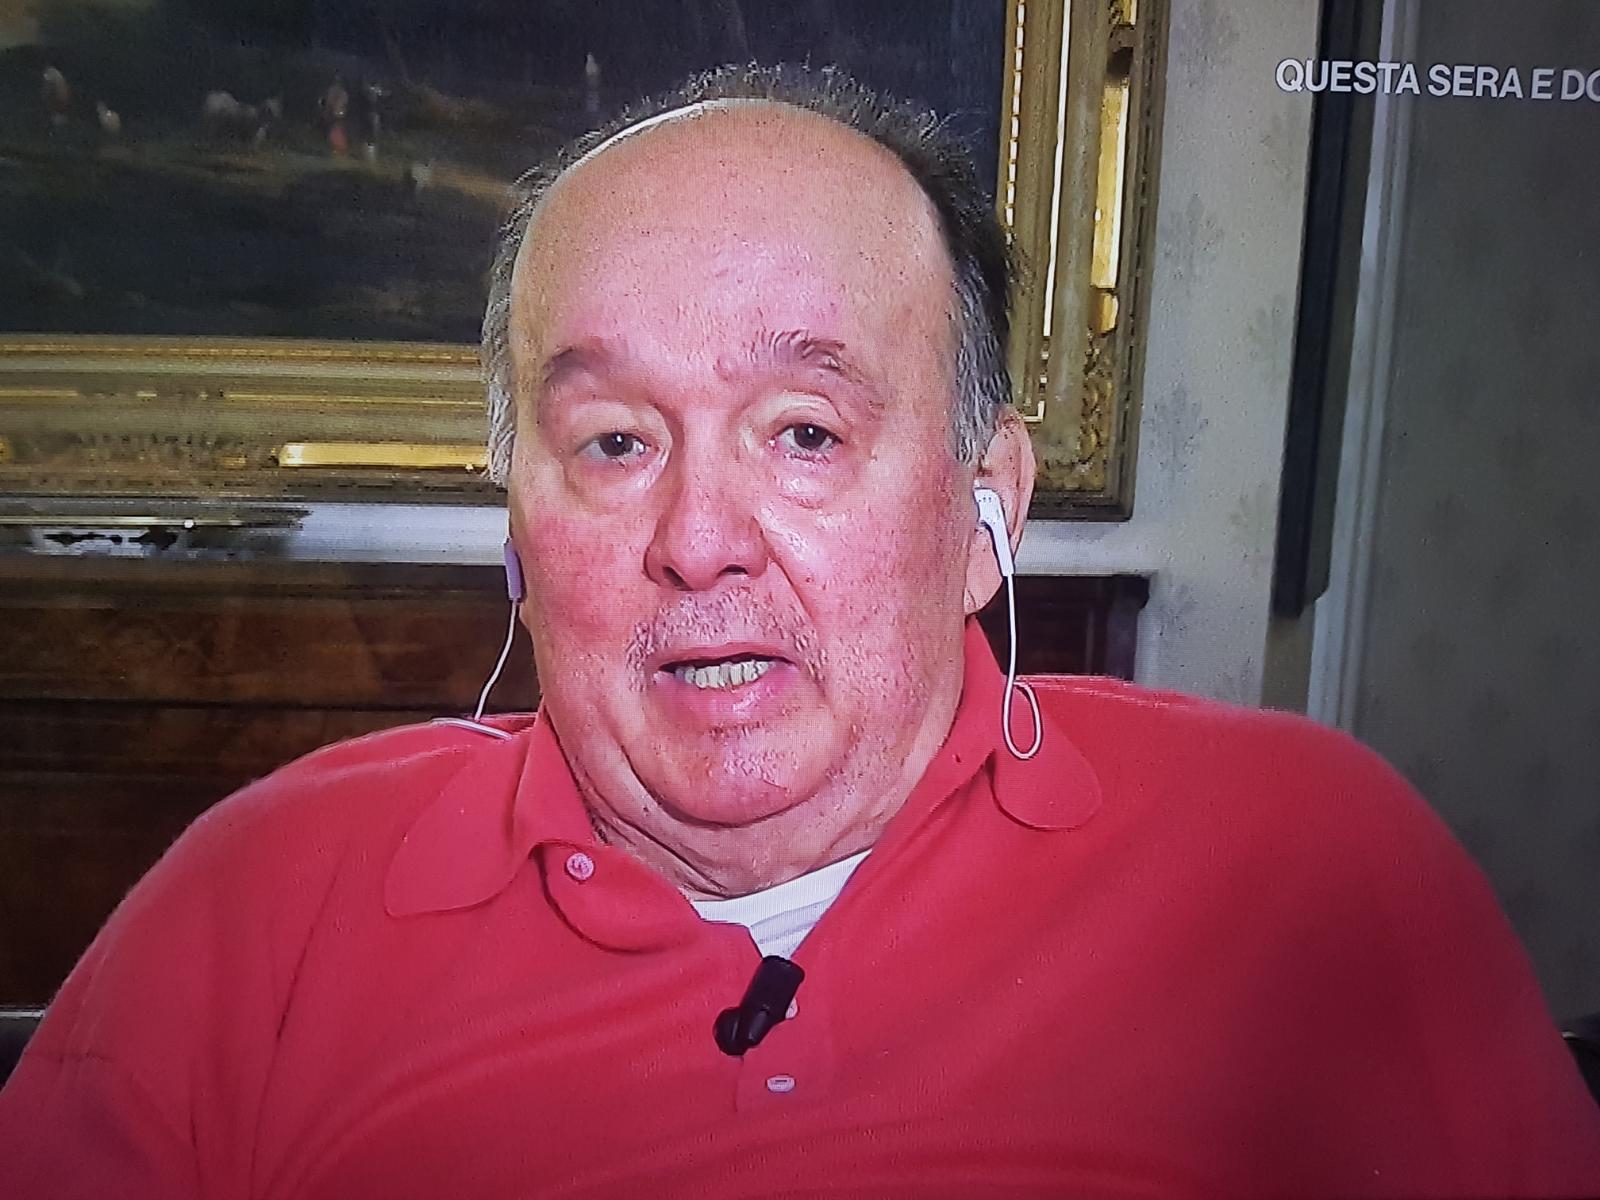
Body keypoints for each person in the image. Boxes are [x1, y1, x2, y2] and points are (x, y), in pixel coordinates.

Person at [2, 64, 1598, 1199]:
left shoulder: (1313, 865)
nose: (698, 538)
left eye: (806, 432)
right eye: (615, 441)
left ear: (985, 506)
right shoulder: (260, 900)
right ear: (521, 528)